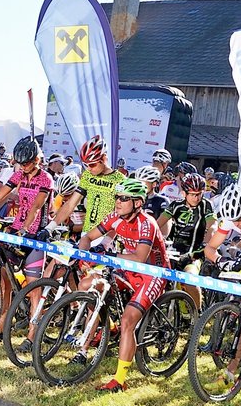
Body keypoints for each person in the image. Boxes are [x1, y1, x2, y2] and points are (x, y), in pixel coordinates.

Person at [78, 175, 170, 392]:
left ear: (137, 203)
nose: (118, 202)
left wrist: (109, 255)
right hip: (128, 268)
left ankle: (119, 380)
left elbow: (139, 257)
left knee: (128, 321)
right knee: (86, 286)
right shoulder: (115, 217)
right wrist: (84, 256)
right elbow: (87, 237)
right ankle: (109, 326)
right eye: (117, 197)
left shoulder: (147, 223)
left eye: (124, 198)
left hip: (153, 273)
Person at [52, 135, 124, 241]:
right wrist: (50, 227)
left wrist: (106, 242)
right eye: (86, 165)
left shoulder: (120, 179)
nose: (89, 168)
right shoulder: (87, 175)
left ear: (104, 158)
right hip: (86, 235)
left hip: (105, 237)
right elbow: (71, 204)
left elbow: (120, 215)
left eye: (92, 164)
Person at [159, 173, 216, 269]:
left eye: (199, 194)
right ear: (184, 193)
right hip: (173, 252)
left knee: (190, 272)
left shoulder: (206, 205)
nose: (196, 198)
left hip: (195, 254)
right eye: (193, 194)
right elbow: (157, 224)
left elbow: (212, 226)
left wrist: (205, 245)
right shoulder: (176, 205)